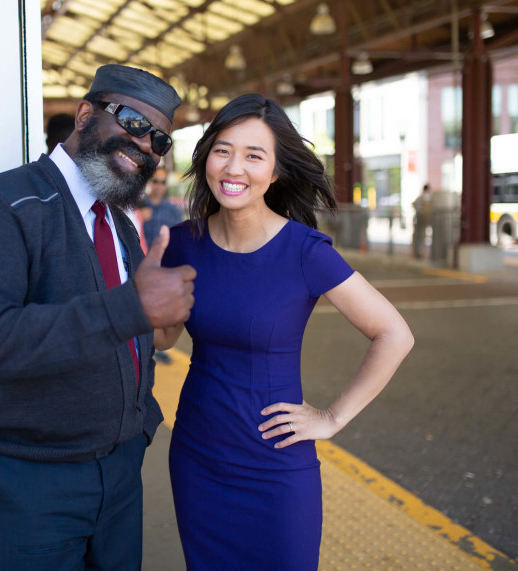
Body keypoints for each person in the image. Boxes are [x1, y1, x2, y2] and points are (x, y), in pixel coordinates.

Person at [0, 64, 196, 571]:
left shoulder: (118, 223)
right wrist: (132, 307)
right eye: (132, 121)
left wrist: (137, 429)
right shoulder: (3, 203)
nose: (145, 144)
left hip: (118, 471)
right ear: (86, 115)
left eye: (160, 141)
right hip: (30, 478)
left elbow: (129, 334)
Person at [155, 94, 414, 570]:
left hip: (275, 461)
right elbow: (164, 339)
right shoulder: (181, 244)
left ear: (275, 173)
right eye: (223, 150)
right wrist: (140, 302)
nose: (234, 167)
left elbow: (394, 334)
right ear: (206, 156)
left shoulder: (304, 251)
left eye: (254, 155)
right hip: (198, 453)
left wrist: (332, 418)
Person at [139, 165, 185, 363]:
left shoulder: (173, 211)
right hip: (140, 267)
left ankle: (158, 347)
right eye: (155, 181)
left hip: (164, 268)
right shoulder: (139, 207)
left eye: (162, 182)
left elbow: (179, 240)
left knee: (159, 309)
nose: (159, 186)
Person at [412, 183, 432, 259]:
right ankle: (421, 253)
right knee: (422, 237)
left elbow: (414, 204)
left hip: (419, 220)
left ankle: (418, 253)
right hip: (425, 220)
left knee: (419, 237)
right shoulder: (428, 198)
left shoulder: (421, 198)